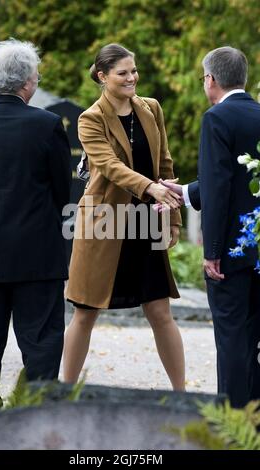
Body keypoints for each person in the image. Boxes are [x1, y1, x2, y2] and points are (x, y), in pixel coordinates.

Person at [64, 43, 185, 391]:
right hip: (103, 222)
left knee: (160, 311)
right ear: (103, 77)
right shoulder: (90, 119)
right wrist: (150, 188)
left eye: (134, 71)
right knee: (85, 313)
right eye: (123, 73)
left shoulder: (151, 108)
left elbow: (165, 164)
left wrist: (172, 219)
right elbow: (111, 167)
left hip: (147, 222)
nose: (132, 77)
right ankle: (63, 393)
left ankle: (183, 396)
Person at [163, 46, 260, 408]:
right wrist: (186, 191)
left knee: (232, 336)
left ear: (211, 80)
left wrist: (212, 252)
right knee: (253, 335)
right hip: (258, 245)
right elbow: (238, 180)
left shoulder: (216, 118)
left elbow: (219, 187)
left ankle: (232, 417)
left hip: (231, 253)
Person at [0, 39, 72, 384]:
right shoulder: (46, 125)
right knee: (41, 345)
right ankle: (36, 420)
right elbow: (63, 191)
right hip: (37, 256)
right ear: (27, 82)